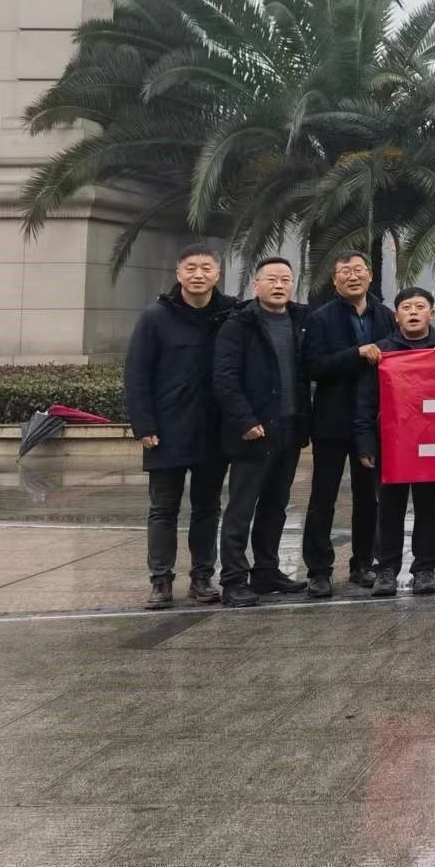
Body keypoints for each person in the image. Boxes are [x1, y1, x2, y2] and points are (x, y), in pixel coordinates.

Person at [124, 243, 238, 608]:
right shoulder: (155, 317)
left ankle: (202, 577)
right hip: (166, 429)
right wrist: (144, 425)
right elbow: (136, 374)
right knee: (163, 508)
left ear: (217, 274)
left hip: (214, 429)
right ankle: (161, 580)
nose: (198, 274)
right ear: (178, 274)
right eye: (191, 268)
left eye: (206, 268)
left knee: (208, 508)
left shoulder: (231, 314)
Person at [211, 257, 311, 608]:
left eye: (285, 279)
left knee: (276, 504)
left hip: (290, 427)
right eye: (271, 279)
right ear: (256, 285)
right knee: (241, 507)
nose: (279, 285)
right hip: (254, 431)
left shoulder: (301, 320)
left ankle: (266, 570)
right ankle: (233, 579)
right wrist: (245, 421)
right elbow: (224, 378)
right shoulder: (239, 324)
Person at [301, 249, 396, 598]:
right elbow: (313, 367)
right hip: (332, 421)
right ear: (334, 280)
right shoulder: (320, 318)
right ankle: (318, 570)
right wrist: (355, 354)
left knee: (368, 498)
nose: (352, 276)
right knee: (322, 497)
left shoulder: (386, 316)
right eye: (345, 272)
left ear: (370, 275)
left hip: (371, 422)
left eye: (358, 270)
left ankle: (363, 563)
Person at [355, 286, 435, 599]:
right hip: (391, 444)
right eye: (406, 308)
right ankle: (386, 569)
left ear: (431, 313)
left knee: (430, 508)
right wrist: (366, 442)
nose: (413, 312)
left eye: (420, 307)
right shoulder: (381, 352)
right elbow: (366, 401)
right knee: (389, 509)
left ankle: (425, 569)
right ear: (396, 316)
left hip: (432, 443)